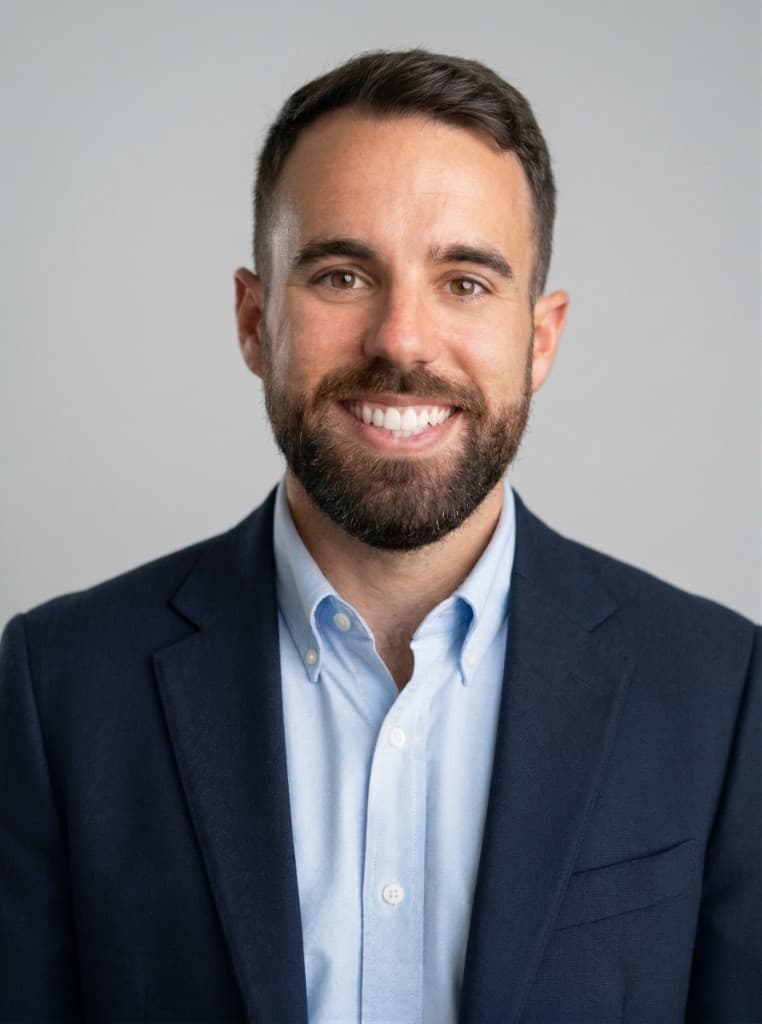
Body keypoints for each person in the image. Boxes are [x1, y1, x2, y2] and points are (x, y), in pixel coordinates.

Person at [0, 47, 758, 1024]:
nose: (402, 339)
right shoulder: (58, 689)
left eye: (467, 282)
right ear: (252, 316)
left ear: (541, 339)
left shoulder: (721, 691)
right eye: (344, 273)